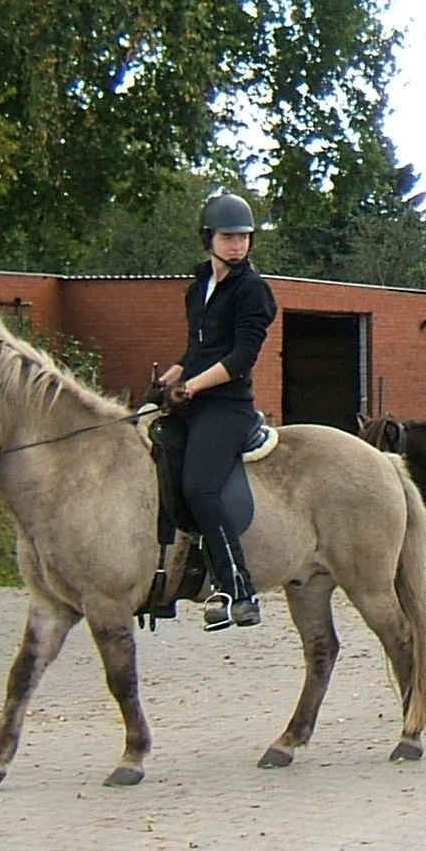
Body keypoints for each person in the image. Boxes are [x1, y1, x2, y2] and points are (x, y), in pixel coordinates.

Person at [159, 190, 276, 629]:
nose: (238, 245)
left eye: (244, 237)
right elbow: (196, 351)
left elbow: (241, 357)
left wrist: (191, 386)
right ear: (208, 238)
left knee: (200, 487)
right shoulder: (197, 289)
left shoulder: (253, 291)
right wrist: (170, 379)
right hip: (195, 397)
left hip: (227, 407)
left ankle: (238, 589)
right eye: (229, 237)